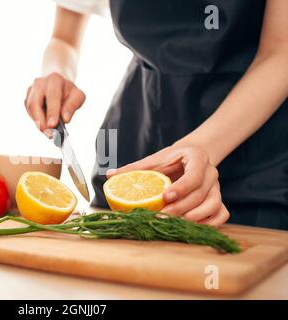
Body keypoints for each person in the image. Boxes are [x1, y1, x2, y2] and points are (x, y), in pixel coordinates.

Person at [24, 0, 288, 229]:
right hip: (138, 128)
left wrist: (201, 147)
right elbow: (63, 39)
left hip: (256, 154)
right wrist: (55, 73)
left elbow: (280, 52)